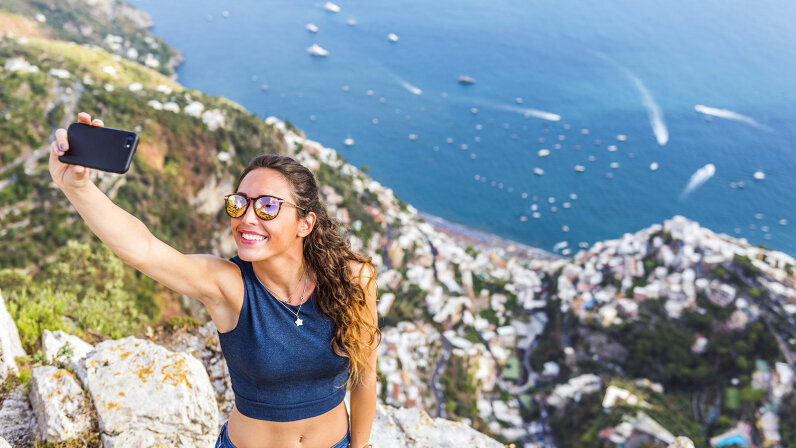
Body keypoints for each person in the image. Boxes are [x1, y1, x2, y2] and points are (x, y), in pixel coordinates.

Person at [49, 112, 380, 448]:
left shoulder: (352, 278)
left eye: (268, 206)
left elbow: (365, 375)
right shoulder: (229, 286)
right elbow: (143, 249)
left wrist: (360, 446)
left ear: (305, 223)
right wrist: (76, 187)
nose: (247, 218)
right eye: (239, 204)